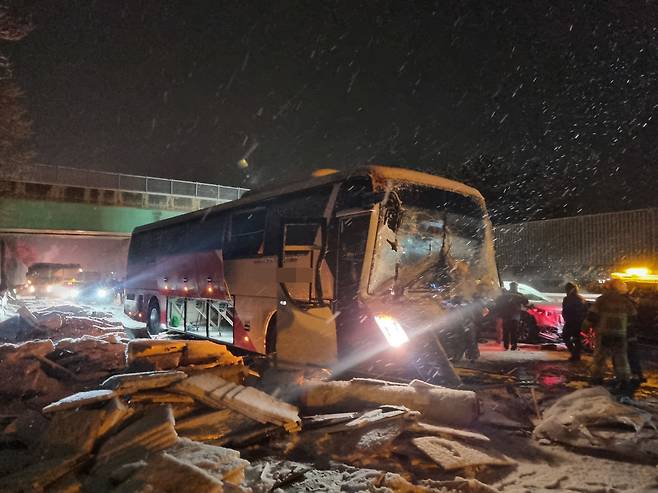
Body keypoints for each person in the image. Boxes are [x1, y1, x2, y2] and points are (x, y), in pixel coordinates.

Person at [586, 278, 637, 396]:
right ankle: (624, 381)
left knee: (600, 357)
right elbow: (633, 317)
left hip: (604, 334)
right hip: (620, 334)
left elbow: (592, 316)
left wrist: (586, 327)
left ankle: (596, 379)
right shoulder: (625, 301)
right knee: (621, 358)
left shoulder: (602, 300)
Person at [495, 282, 529, 350]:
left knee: (506, 331)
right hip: (515, 316)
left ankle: (506, 345)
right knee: (514, 331)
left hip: (506, 315)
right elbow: (526, 302)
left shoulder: (505, 295)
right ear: (516, 287)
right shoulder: (519, 295)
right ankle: (513, 345)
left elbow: (497, 301)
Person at [562, 282, 587, 361]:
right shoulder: (580, 299)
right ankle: (576, 354)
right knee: (576, 338)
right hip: (577, 321)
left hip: (571, 321)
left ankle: (575, 354)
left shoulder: (569, 299)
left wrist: (567, 318)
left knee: (566, 337)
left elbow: (566, 310)